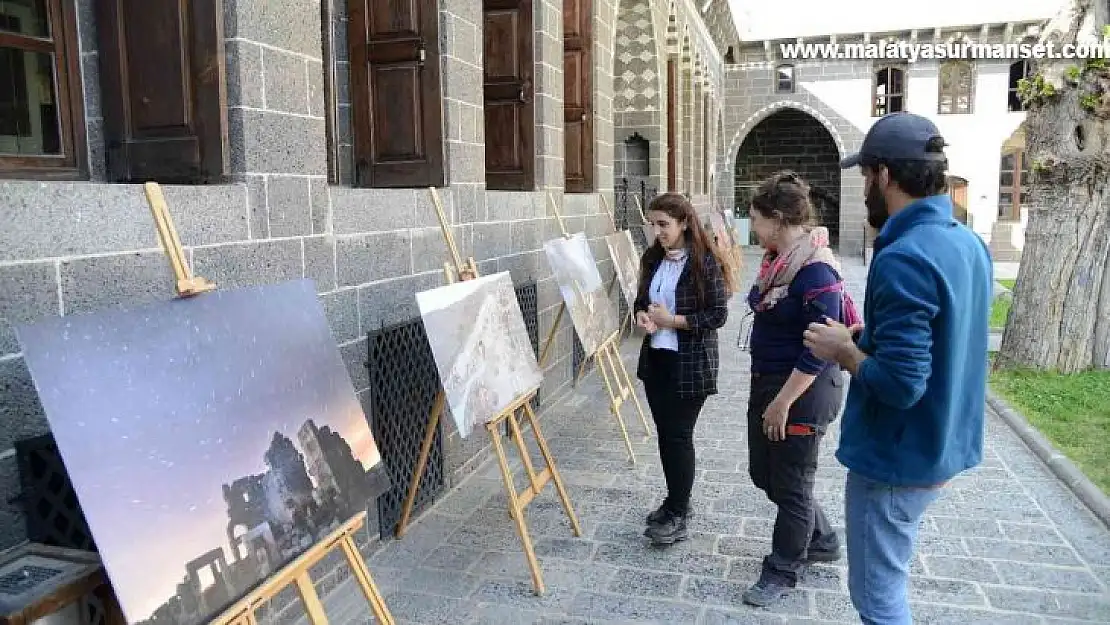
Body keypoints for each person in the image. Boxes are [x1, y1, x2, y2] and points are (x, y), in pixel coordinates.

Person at [803, 112, 993, 625]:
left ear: (884, 175)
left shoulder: (903, 256)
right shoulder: (967, 242)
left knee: (878, 599)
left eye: (866, 176)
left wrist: (845, 352)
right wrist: (861, 337)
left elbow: (903, 383)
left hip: (896, 457)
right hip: (941, 445)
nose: (865, 187)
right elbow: (946, 339)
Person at [739, 171, 850, 607]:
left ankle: (783, 571)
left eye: (756, 219)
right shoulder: (776, 263)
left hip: (803, 392)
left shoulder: (817, 270)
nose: (752, 228)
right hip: (768, 383)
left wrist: (783, 402)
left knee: (791, 483)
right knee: (763, 474)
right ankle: (821, 538)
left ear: (779, 218)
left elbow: (821, 348)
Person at [634, 192, 734, 546]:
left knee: (679, 436)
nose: (657, 231)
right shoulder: (652, 258)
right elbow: (641, 301)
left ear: (684, 223)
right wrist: (644, 316)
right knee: (666, 435)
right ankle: (675, 501)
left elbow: (717, 316)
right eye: (653, 224)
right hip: (657, 360)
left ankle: (678, 511)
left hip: (690, 363)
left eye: (664, 224)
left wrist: (671, 320)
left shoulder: (704, 262)